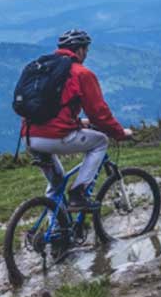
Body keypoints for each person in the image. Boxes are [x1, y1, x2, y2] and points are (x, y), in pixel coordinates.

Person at [22, 29, 132, 211]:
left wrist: (80, 123)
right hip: (54, 137)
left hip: (29, 136)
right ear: (79, 50)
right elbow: (99, 113)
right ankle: (78, 194)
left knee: (57, 183)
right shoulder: (81, 73)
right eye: (86, 50)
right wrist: (119, 133)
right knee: (100, 142)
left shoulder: (45, 69)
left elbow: (53, 110)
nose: (86, 54)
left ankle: (57, 231)